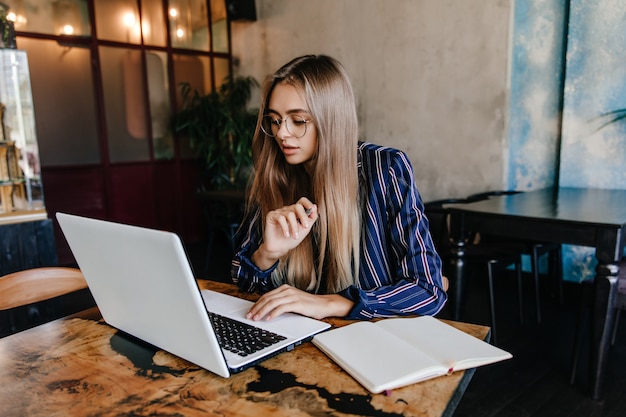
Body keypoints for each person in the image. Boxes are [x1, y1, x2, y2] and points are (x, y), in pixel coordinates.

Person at [231, 54, 447, 321]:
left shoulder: (385, 167)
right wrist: (268, 253)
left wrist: (330, 304)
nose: (282, 133)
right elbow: (243, 281)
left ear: (331, 119)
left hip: (374, 340)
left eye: (298, 121)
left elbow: (428, 289)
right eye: (275, 120)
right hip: (301, 337)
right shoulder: (277, 174)